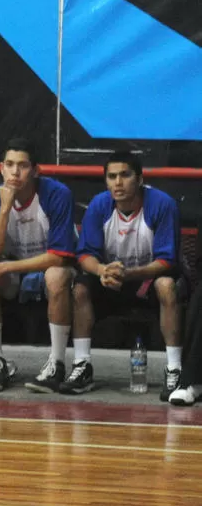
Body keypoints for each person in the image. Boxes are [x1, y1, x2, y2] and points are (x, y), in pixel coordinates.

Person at [62, 150, 182, 400]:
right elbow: (85, 255)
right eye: (112, 176)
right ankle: (82, 365)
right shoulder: (99, 205)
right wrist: (102, 270)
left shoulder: (162, 204)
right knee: (80, 288)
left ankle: (174, 369)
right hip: (112, 280)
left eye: (125, 175)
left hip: (148, 278)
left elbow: (166, 261)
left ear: (139, 179)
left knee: (167, 286)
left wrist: (128, 274)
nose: (117, 182)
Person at [0, 139, 76, 393]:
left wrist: (6, 268)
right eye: (9, 165)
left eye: (23, 165)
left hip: (52, 267)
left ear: (36, 170)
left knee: (55, 276)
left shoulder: (57, 193)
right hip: (16, 271)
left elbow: (59, 256)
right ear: (1, 169)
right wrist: (6, 208)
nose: (15, 172)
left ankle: (56, 364)